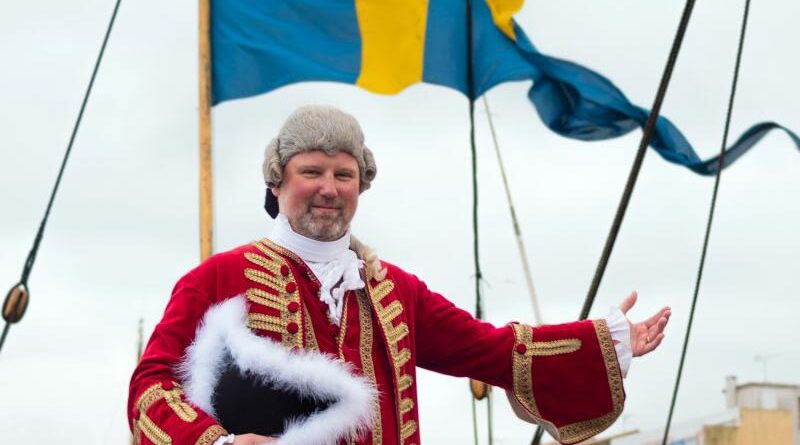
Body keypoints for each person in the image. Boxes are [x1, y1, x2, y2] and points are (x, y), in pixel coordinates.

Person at [128, 105, 671, 445]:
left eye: (344, 174)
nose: (329, 187)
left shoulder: (395, 290)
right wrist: (217, 444)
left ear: (361, 186)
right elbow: (150, 387)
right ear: (277, 184)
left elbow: (489, 350)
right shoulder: (218, 277)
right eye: (311, 171)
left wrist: (605, 341)